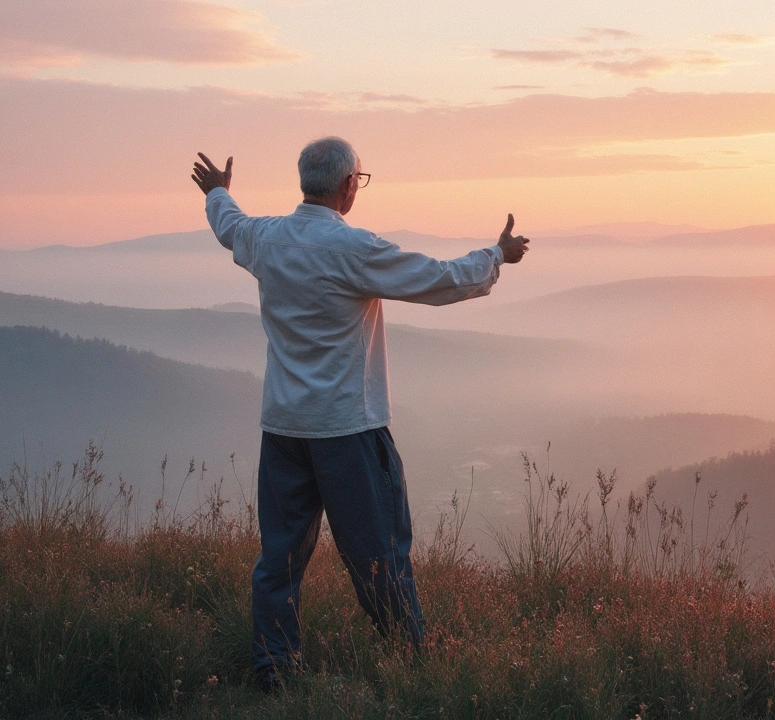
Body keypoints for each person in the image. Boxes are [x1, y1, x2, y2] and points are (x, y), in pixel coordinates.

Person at [190, 137, 529, 691]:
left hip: (283, 428)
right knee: (379, 557)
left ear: (306, 181)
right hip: (347, 428)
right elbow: (440, 278)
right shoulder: (353, 249)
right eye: (360, 180)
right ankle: (417, 664)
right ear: (349, 185)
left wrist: (218, 194)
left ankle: (273, 670)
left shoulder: (267, 239)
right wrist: (497, 256)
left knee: (280, 557)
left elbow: (230, 225)